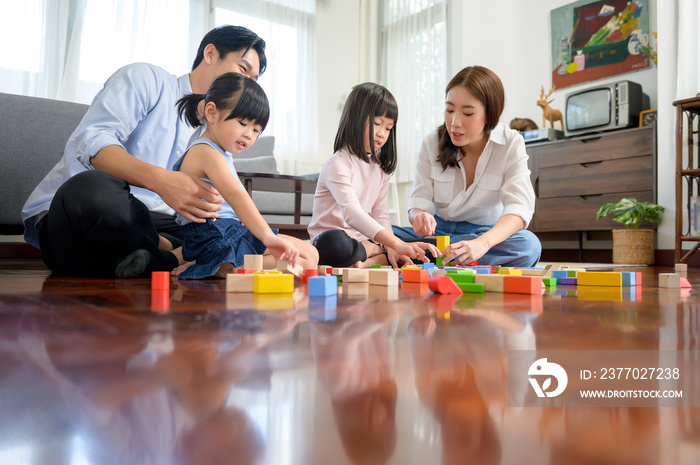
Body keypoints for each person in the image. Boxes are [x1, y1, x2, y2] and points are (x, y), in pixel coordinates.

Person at [21, 25, 267, 278]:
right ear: (211, 53)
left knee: (225, 232)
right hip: (101, 217)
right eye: (242, 69)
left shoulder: (221, 132)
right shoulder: (147, 79)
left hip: (166, 226)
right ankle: (169, 256)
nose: (246, 84)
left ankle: (153, 260)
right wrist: (161, 181)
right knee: (88, 189)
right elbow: (93, 141)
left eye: (253, 80)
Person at [392, 66, 542, 267]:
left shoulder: (510, 143)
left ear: (490, 114)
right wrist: (419, 216)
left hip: (484, 234)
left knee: (528, 246)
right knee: (379, 232)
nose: (455, 123)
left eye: (468, 113)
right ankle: (440, 255)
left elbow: (519, 208)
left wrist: (482, 243)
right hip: (438, 233)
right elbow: (419, 201)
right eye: (450, 110)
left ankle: (415, 254)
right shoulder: (432, 143)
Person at [173, 72, 317, 278]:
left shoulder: (219, 152)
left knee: (310, 254)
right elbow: (236, 195)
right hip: (215, 234)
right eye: (243, 123)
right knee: (306, 258)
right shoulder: (206, 151)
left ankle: (214, 264)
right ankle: (219, 266)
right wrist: (268, 237)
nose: (249, 134)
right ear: (212, 112)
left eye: (256, 129)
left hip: (223, 232)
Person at [308, 82, 440, 268]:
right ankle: (375, 254)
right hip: (333, 241)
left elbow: (380, 214)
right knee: (335, 243)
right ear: (356, 119)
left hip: (363, 240)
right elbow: (352, 214)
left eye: (388, 128)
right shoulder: (337, 163)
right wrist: (390, 244)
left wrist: (393, 246)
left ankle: (370, 259)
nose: (381, 134)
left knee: (430, 250)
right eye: (377, 124)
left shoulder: (379, 169)